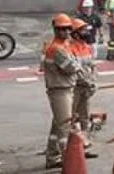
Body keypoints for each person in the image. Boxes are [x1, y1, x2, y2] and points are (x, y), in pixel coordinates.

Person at [41, 14, 81, 169]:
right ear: (55, 30)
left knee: (57, 126)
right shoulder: (56, 48)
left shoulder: (64, 45)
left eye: (67, 29)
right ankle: (68, 159)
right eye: (61, 29)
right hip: (60, 90)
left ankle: (52, 157)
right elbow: (71, 67)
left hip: (64, 88)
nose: (65, 32)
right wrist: (77, 64)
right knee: (65, 126)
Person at [67, 18, 98, 158]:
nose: (86, 32)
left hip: (86, 87)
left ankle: (83, 146)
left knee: (84, 118)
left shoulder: (85, 46)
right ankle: (68, 148)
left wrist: (93, 82)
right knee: (70, 117)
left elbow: (91, 66)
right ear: (75, 33)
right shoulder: (70, 48)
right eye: (83, 30)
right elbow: (74, 70)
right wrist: (86, 81)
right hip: (75, 87)